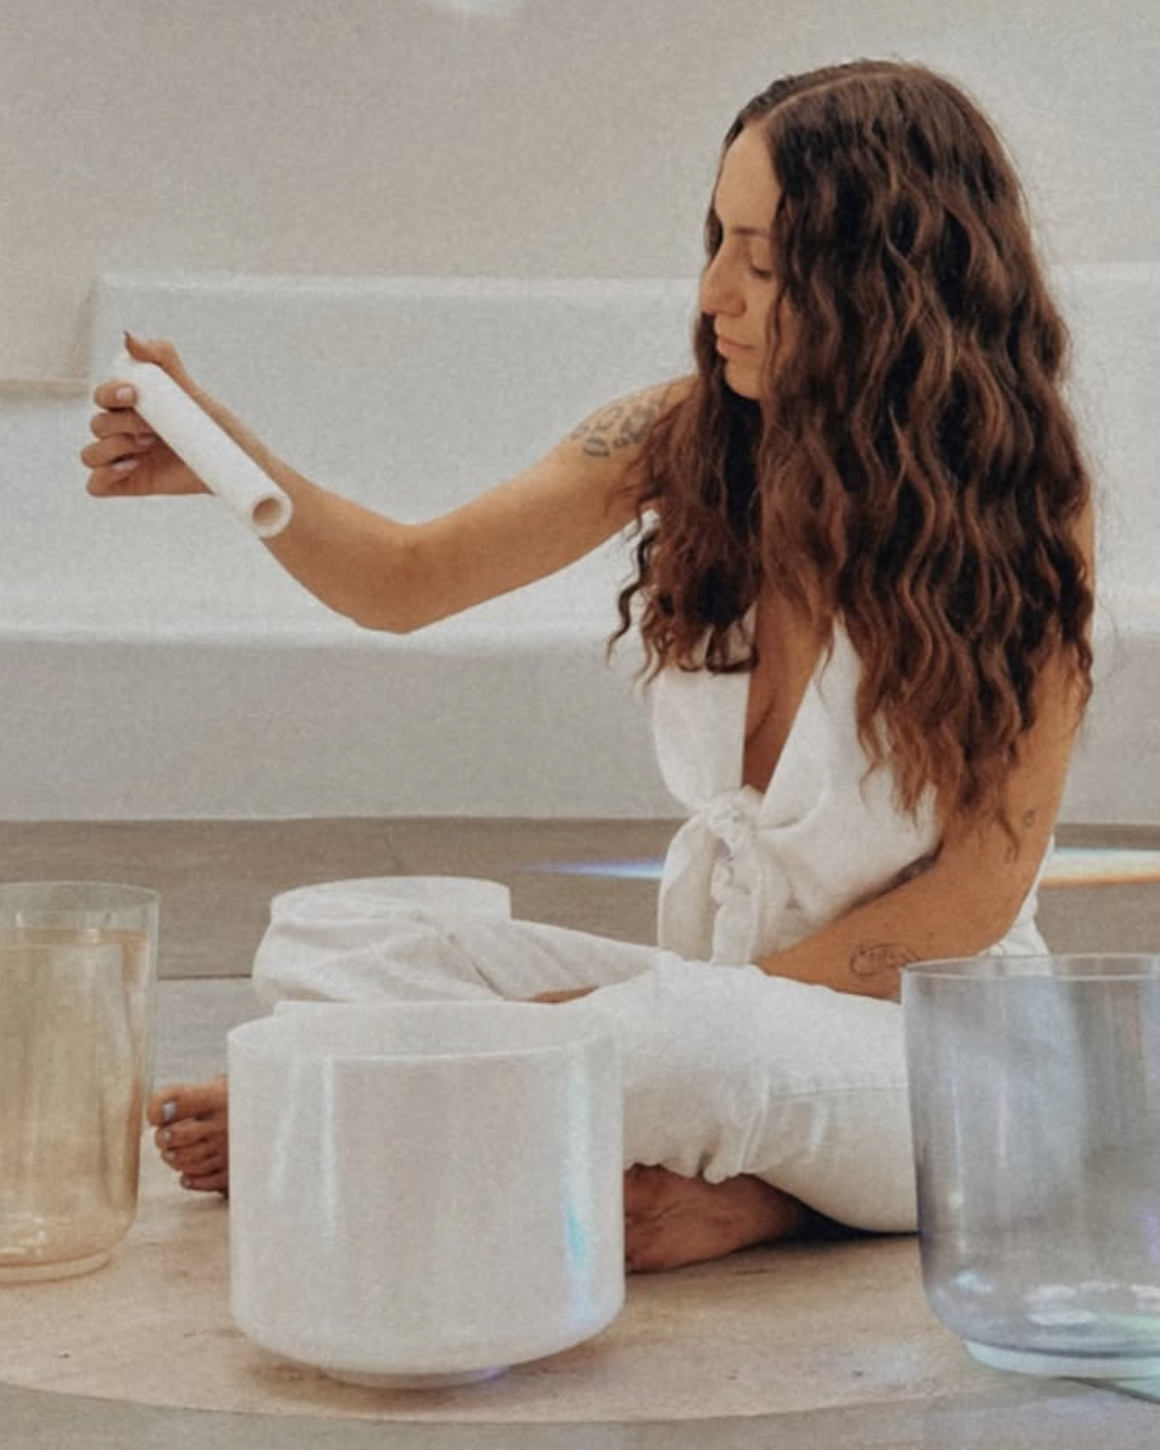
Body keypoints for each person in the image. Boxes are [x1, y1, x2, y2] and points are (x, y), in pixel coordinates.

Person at [81, 59, 1093, 1274]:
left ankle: (370, 1109)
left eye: (763, 261)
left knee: (681, 1042)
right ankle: (715, 1170)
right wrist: (226, 459)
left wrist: (643, 1024)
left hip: (942, 1066)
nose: (714, 291)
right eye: (717, 240)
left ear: (880, 284)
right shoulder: (683, 434)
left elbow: (974, 900)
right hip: (716, 1021)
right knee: (335, 943)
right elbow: (406, 579)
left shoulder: (1024, 508)